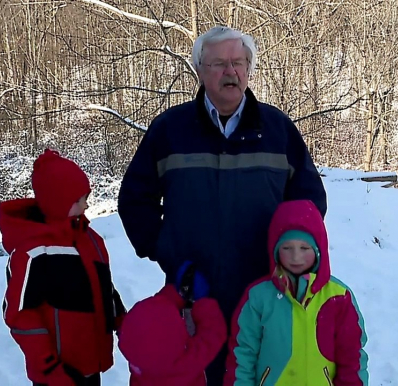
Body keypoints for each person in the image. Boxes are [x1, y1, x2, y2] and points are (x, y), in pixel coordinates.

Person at [117, 25, 327, 384]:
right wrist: (167, 250)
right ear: (200, 70)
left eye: (238, 62)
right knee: (201, 372)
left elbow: (308, 203)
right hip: (193, 290)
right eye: (218, 64)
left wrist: (292, 256)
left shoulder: (277, 129)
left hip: (265, 287)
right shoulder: (170, 130)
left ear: (249, 68)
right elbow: (135, 199)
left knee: (262, 372)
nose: (230, 72)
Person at [0, 149, 126, 386]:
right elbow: (19, 314)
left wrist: (123, 321)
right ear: (57, 202)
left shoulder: (91, 240)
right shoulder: (33, 252)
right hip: (56, 372)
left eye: (86, 196)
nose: (86, 205)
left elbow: (103, 287)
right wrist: (48, 367)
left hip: (90, 361)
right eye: (78, 200)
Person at [224, 200, 368, 386]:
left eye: (304, 248)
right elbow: (243, 355)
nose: (296, 257)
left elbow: (352, 358)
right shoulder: (258, 297)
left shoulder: (339, 297)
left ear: (318, 250)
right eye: (287, 248)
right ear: (275, 250)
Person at [119, 261, 227, 385]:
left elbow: (154, 314)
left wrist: (176, 294)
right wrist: (202, 302)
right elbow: (212, 335)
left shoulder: (138, 361)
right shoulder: (185, 363)